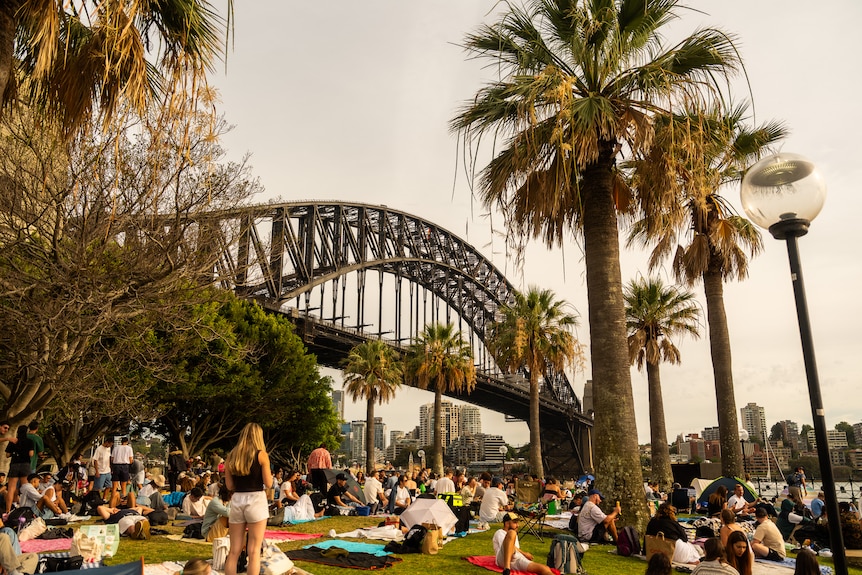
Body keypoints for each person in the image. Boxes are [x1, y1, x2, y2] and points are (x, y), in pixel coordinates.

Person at [224, 423, 273, 575]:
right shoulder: (261, 455)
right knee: (253, 551)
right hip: (256, 499)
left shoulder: (231, 456)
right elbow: (269, 483)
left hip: (237, 499)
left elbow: (230, 485)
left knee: (234, 552)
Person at [4, 425, 33, 514]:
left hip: (15, 464)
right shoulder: (29, 441)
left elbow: (7, 455)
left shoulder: (13, 441)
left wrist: (14, 453)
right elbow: (31, 454)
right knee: (25, 488)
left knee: (11, 488)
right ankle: (24, 508)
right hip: (25, 464)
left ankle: (8, 510)